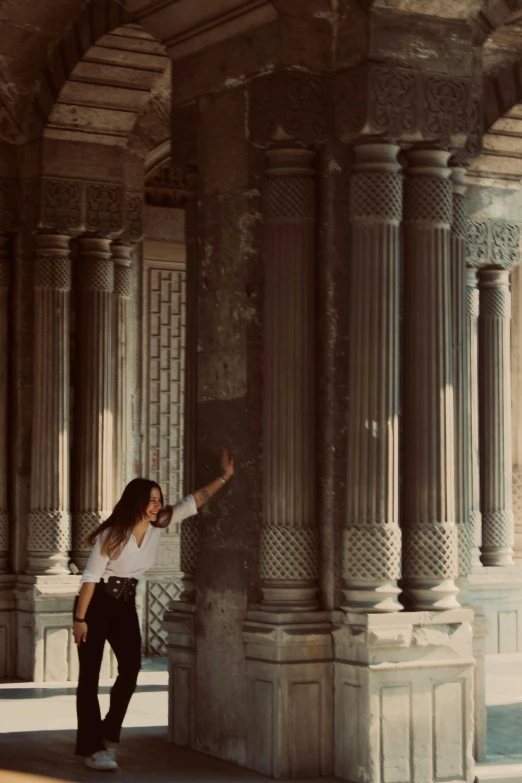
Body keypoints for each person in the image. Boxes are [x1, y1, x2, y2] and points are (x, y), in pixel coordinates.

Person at [73, 447, 235, 771]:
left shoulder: (159, 523)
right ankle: (91, 748)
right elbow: (90, 578)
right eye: (151, 499)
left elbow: (194, 501)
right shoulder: (111, 535)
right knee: (89, 678)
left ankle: (108, 734)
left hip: (124, 604)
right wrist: (80, 619)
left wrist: (224, 477)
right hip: (95, 605)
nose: (158, 504)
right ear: (137, 502)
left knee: (131, 670)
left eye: (159, 499)